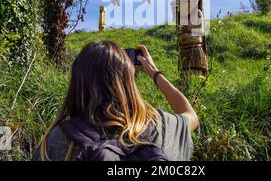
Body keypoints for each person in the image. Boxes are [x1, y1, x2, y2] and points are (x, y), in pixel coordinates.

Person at [32, 40, 199, 161]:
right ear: (129, 82)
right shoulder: (160, 126)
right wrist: (154, 72)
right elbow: (191, 115)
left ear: (77, 84)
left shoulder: (55, 141)